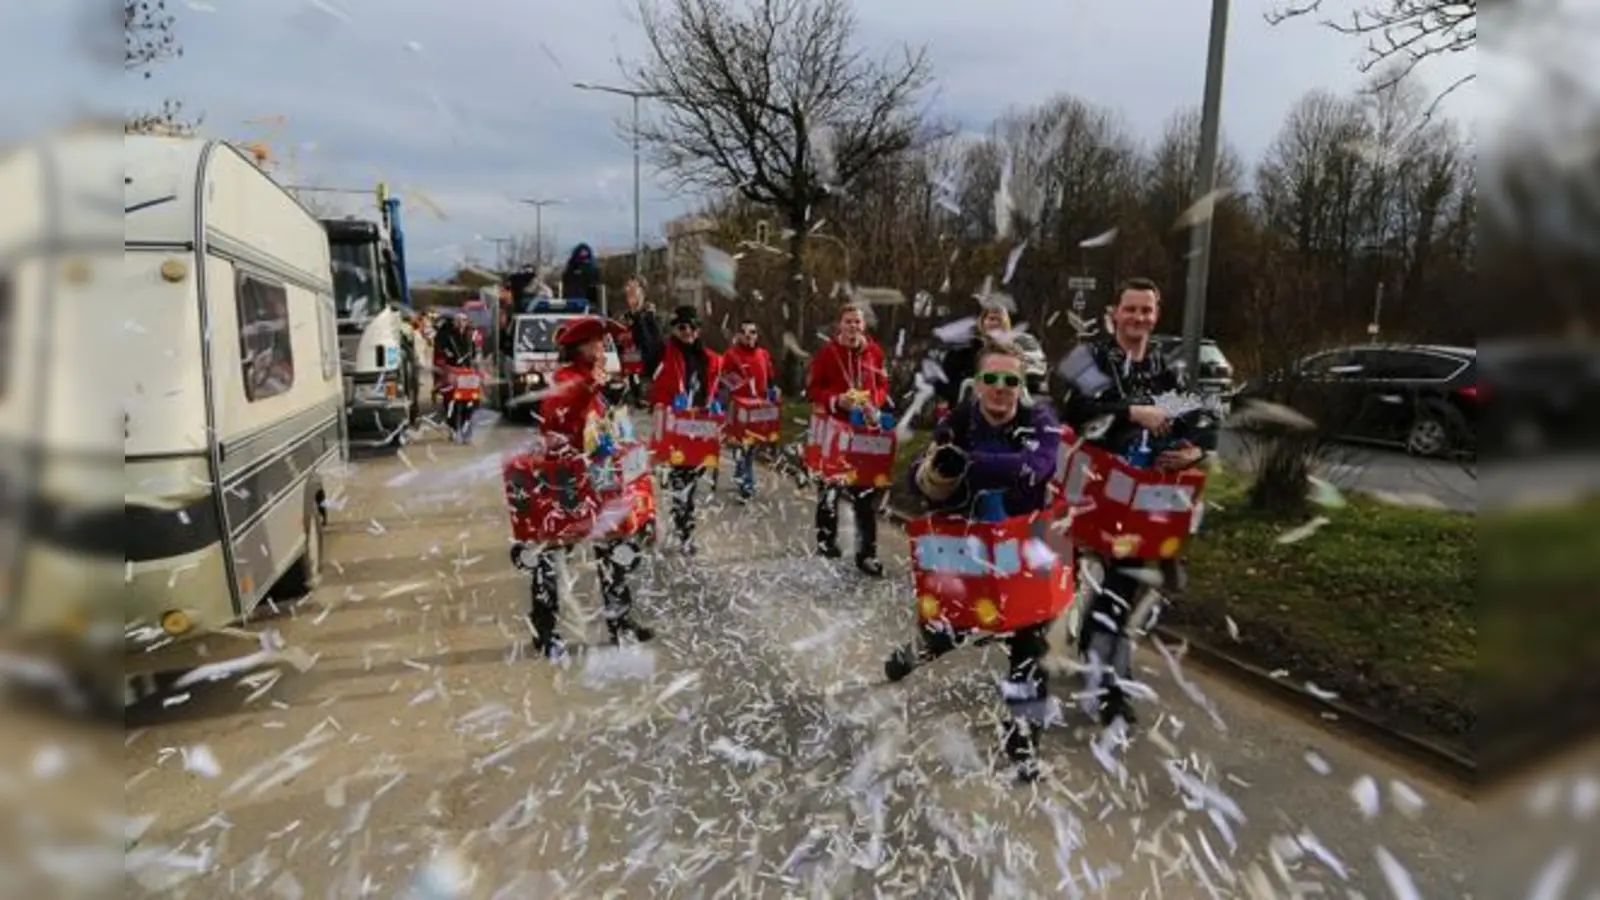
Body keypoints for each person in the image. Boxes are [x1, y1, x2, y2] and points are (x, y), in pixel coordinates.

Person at [907, 342, 1064, 781]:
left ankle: (1024, 741)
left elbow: (1039, 466)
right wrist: (933, 472)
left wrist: (968, 465)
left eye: (1010, 380)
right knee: (949, 630)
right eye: (991, 380)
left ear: (1022, 385)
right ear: (977, 385)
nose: (1001, 389)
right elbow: (918, 473)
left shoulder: (1042, 421)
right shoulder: (955, 421)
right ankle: (916, 651)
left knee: (1029, 648)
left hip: (1023, 552)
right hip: (966, 553)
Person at [1059, 277, 1205, 727]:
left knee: (1121, 587)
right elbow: (1071, 405)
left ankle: (1102, 668)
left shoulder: (1163, 366)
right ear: (1114, 313)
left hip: (1142, 495)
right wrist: (1130, 412)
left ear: (1156, 315)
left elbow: (1195, 420)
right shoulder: (1093, 357)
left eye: (1146, 310)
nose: (1138, 318)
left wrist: (1193, 450)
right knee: (1103, 584)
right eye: (1131, 310)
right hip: (1094, 485)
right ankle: (1100, 676)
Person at [530, 315, 657, 659]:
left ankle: (620, 622)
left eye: (605, 344)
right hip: (566, 478)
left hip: (600, 476)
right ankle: (544, 629)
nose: (604, 350)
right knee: (554, 553)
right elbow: (559, 417)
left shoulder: (597, 379)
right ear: (580, 347)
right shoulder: (566, 378)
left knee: (612, 548)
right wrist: (591, 388)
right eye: (598, 344)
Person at [806, 303, 889, 576]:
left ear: (863, 326)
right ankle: (826, 542)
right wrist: (836, 400)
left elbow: (882, 384)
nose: (853, 327)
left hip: (863, 429)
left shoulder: (874, 352)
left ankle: (867, 554)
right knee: (829, 487)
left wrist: (873, 403)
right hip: (835, 429)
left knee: (864, 492)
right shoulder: (828, 353)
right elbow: (814, 389)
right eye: (848, 322)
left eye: (857, 322)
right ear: (839, 326)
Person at [648, 305, 723, 554]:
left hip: (700, 425)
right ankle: (684, 532)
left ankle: (680, 520)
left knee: (691, 478)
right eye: (682, 327)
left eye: (693, 327)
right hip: (674, 424)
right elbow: (647, 345)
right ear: (675, 329)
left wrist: (716, 402)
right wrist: (641, 316)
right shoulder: (665, 352)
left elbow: (717, 384)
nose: (688, 332)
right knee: (684, 480)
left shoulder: (709, 358)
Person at [720, 319, 779, 501]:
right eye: (745, 333)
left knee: (751, 445)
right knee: (743, 444)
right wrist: (738, 385)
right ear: (738, 336)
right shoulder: (731, 354)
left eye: (752, 333)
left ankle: (741, 471)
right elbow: (723, 378)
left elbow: (770, 377)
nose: (749, 336)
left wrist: (773, 391)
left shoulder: (763, 354)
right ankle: (747, 482)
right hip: (739, 406)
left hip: (759, 407)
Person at [618, 276, 663, 406]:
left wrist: (638, 317)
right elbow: (621, 346)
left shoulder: (650, 316)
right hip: (629, 381)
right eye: (627, 289)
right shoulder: (625, 318)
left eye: (633, 288)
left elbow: (649, 344)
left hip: (647, 379)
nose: (629, 292)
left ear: (642, 292)